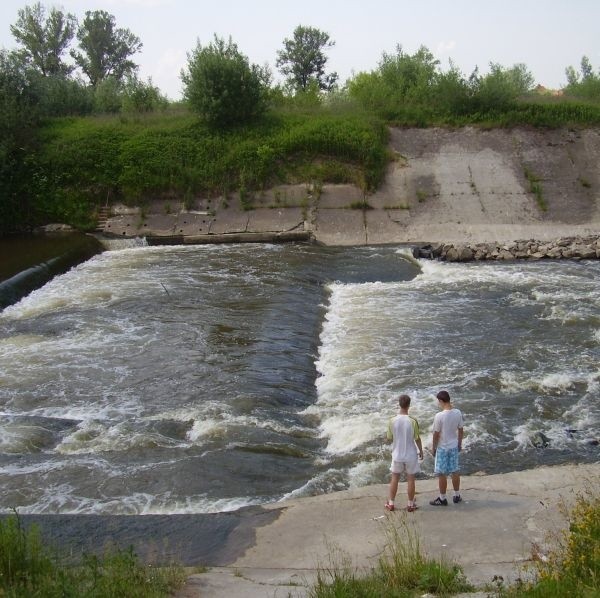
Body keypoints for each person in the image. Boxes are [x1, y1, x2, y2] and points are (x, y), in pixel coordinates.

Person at [385, 394, 424, 512]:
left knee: (395, 478)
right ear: (409, 405)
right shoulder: (413, 421)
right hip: (410, 454)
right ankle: (410, 504)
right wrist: (421, 450)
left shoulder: (392, 421)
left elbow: (389, 438)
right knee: (411, 479)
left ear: (399, 404)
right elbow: (417, 438)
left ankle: (391, 503)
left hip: (397, 454)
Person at [429, 390, 464, 506]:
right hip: (454, 446)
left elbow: (436, 434)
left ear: (441, 401)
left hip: (443, 448)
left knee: (442, 474)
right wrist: (459, 443)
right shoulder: (457, 413)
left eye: (438, 402)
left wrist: (433, 448)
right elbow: (460, 429)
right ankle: (457, 495)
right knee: (455, 471)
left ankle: (442, 498)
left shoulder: (439, 416)